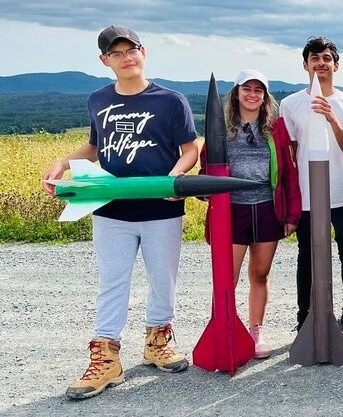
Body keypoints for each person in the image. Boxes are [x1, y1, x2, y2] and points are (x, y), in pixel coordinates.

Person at [42, 26, 198, 399]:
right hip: (110, 212)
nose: (127, 57)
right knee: (113, 282)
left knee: (164, 279)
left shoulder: (171, 101)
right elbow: (95, 147)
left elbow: (190, 148)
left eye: (133, 49)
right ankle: (106, 358)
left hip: (161, 210)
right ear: (105, 60)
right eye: (118, 53)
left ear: (144, 53)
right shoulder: (98, 99)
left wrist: (175, 177)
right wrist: (63, 162)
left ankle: (157, 340)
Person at [199, 69, 301, 358]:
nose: (252, 94)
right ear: (236, 93)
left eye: (259, 90)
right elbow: (207, 166)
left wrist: (292, 214)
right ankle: (223, 328)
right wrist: (204, 189)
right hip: (231, 212)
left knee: (260, 273)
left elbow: (289, 173)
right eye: (247, 89)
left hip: (268, 209)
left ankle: (256, 331)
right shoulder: (220, 128)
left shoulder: (276, 129)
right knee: (226, 276)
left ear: (265, 96)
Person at [279, 37, 343, 336]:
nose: (321, 63)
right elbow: (289, 154)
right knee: (307, 255)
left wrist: (332, 118)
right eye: (314, 58)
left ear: (336, 65)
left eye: (327, 58)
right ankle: (305, 316)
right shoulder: (290, 105)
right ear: (305, 64)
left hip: (342, 194)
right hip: (307, 197)